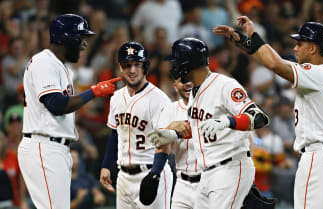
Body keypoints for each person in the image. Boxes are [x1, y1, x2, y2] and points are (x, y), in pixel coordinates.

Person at [213, 16, 323, 209]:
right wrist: (243, 41)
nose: (295, 48)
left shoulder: (316, 73)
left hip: (320, 159)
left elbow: (274, 64)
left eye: (300, 43)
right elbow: (271, 60)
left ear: (313, 48)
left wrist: (252, 35)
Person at [149, 37, 270, 209]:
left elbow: (259, 117)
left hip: (230, 167)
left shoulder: (225, 85)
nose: (174, 68)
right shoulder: (195, 92)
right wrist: (173, 134)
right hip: (207, 173)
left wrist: (227, 122)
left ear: (187, 64)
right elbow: (201, 127)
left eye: (177, 63)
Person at [18, 14, 121, 209]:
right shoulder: (44, 62)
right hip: (44, 145)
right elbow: (55, 104)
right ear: (67, 39)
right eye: (80, 39)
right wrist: (94, 92)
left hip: (54, 147)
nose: (84, 46)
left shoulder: (60, 66)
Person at [99, 41, 173, 209]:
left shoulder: (158, 99)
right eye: (127, 65)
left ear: (145, 66)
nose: (132, 70)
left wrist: (154, 175)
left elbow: (165, 141)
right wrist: (106, 166)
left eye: (137, 65)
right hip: (123, 176)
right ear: (120, 67)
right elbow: (115, 133)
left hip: (151, 172)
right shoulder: (116, 97)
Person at [156, 78, 199, 209]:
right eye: (182, 81)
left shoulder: (213, 106)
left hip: (209, 181)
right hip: (182, 183)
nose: (188, 83)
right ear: (175, 86)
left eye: (190, 78)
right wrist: (170, 128)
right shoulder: (170, 110)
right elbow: (158, 145)